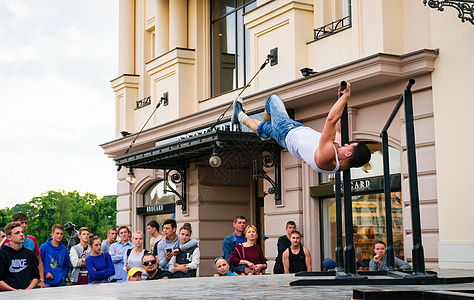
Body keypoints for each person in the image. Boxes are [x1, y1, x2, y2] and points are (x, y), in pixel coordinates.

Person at [232, 82, 371, 173]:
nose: (346, 144)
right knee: (265, 126)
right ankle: (240, 116)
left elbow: (330, 121)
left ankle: (263, 130)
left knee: (272, 100)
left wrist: (346, 96)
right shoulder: (339, 160)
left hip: (286, 130)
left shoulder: (328, 157)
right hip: (292, 133)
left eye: (349, 146)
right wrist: (339, 98)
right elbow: (339, 127)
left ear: (348, 154)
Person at [0, 213, 45, 288]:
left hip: (27, 288)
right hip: (8, 292)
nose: (21, 234)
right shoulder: (3, 252)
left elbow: (36, 273)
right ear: (9, 237)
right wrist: (14, 291)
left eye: (22, 232)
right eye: (17, 233)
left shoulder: (30, 250)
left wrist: (41, 280)